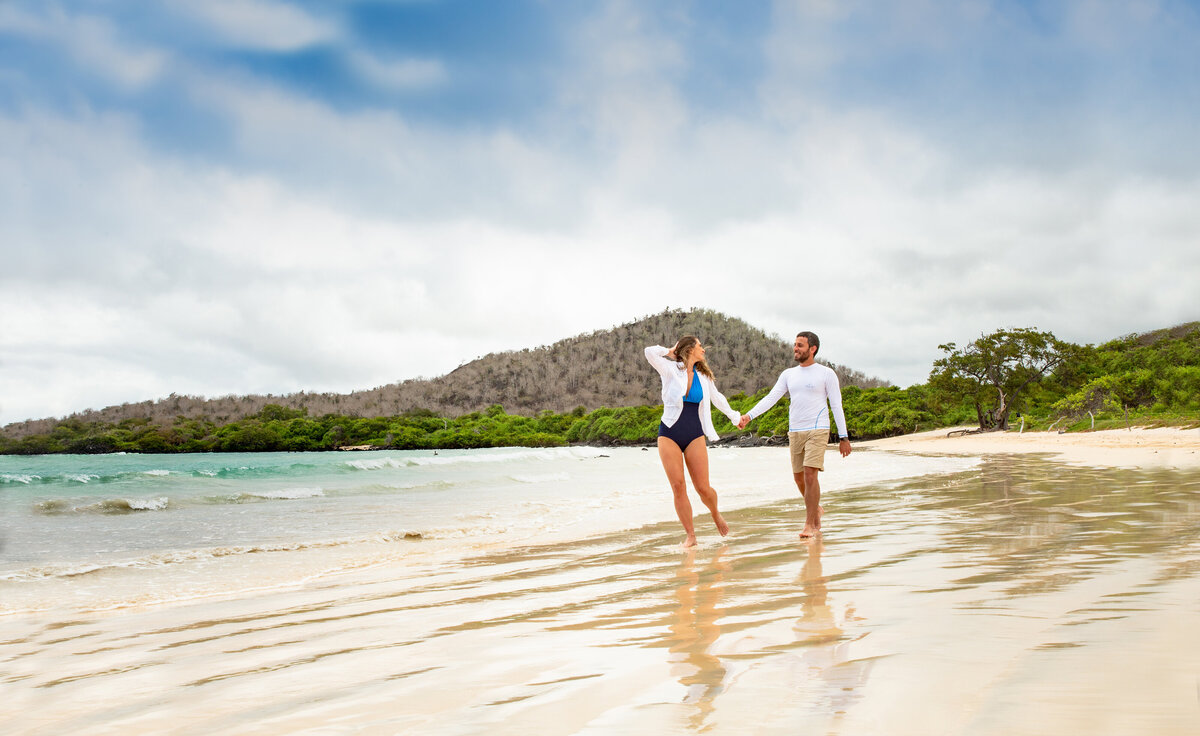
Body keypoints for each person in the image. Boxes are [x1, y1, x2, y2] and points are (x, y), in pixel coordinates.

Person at [737, 331, 851, 538]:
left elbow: (836, 405)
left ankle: (810, 524)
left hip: (818, 429)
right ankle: (815, 509)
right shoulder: (788, 374)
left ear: (812, 348)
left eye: (800, 345)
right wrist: (749, 416)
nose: (795, 348)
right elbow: (771, 398)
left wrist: (844, 438)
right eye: (795, 345)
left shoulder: (826, 374)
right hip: (795, 431)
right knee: (799, 478)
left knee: (810, 474)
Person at [645, 336, 743, 548]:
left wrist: (735, 418)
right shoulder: (670, 370)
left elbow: (718, 399)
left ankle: (715, 513)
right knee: (678, 486)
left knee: (703, 488)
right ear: (689, 349)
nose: (703, 350)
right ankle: (691, 535)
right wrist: (671, 351)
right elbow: (649, 352)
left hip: (694, 433)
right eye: (699, 347)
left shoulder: (704, 377)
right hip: (669, 431)